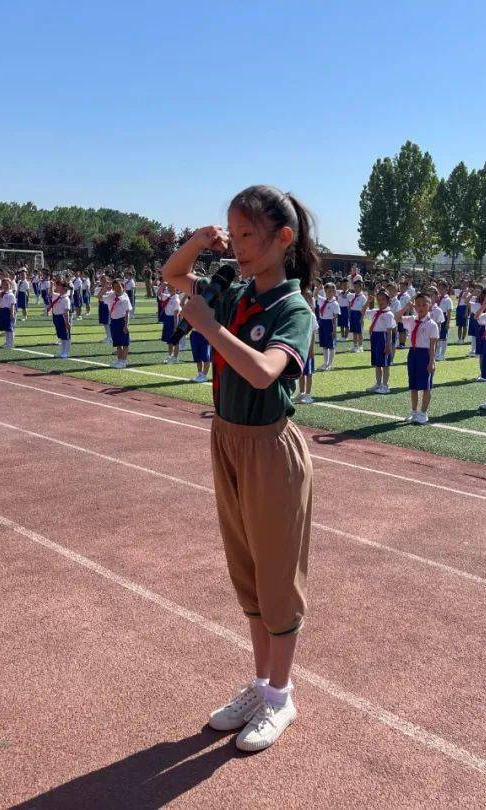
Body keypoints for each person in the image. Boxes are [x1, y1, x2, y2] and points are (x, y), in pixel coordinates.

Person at [162, 185, 316, 753]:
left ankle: (281, 695)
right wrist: (197, 243)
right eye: (233, 233)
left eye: (247, 235)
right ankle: (260, 684)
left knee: (277, 577)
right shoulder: (235, 293)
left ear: (283, 239)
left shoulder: (290, 309)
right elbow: (172, 275)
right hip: (226, 440)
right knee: (247, 573)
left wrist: (208, 327)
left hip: (270, 448)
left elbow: (262, 373)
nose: (239, 247)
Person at [399, 292, 439, 424]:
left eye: (423, 305)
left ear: (429, 306)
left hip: (425, 354)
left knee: (426, 385)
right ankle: (414, 411)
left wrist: (432, 361)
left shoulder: (432, 324)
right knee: (414, 385)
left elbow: (433, 345)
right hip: (413, 353)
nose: (420, 307)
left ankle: (423, 412)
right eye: (418, 305)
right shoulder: (411, 320)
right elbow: (396, 317)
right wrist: (407, 307)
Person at [365, 291, 397, 394]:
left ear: (388, 301)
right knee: (377, 364)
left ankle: (385, 385)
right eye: (378, 300)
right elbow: (362, 312)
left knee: (385, 364)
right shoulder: (375, 311)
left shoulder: (389, 314)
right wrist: (367, 302)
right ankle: (378, 384)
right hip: (375, 337)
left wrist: (388, 345)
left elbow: (389, 332)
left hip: (383, 338)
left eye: (383, 299)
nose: (380, 302)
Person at [295, 289, 317, 403]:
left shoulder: (311, 315)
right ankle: (301, 392)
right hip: (300, 348)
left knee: (308, 372)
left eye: (308, 298)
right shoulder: (298, 313)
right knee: (301, 372)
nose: (305, 300)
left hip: (308, 349)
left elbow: (313, 333)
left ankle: (308, 395)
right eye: (303, 297)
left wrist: (311, 349)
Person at [106, 278, 132, 368]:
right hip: (114, 321)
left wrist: (126, 325)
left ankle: (123, 361)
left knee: (125, 342)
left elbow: (127, 312)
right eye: (115, 287)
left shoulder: (125, 297)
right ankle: (119, 361)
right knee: (117, 343)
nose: (117, 288)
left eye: (119, 286)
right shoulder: (111, 295)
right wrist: (106, 287)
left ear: (123, 287)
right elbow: (99, 297)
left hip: (122, 321)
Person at [316, 283, 340, 370]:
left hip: (330, 324)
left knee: (331, 345)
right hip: (322, 323)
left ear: (334, 292)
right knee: (324, 345)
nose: (330, 292)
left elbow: (335, 318)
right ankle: (325, 363)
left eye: (332, 291)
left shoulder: (335, 304)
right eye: (328, 291)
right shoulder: (322, 300)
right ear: (325, 291)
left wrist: (334, 330)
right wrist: (318, 288)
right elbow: (315, 295)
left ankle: (330, 364)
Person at [49, 276, 73, 359]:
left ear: (63, 288)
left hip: (63, 318)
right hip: (56, 317)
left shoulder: (66, 299)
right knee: (61, 336)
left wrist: (67, 322)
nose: (57, 287)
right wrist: (51, 285)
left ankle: (66, 352)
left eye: (58, 285)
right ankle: (62, 351)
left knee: (66, 336)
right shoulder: (57, 296)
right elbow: (51, 293)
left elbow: (66, 311)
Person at [160, 287, 183, 363]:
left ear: (174, 289)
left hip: (173, 320)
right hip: (167, 319)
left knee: (175, 340)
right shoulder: (168, 296)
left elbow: (176, 314)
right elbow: (158, 294)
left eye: (170, 288)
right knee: (169, 341)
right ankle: (170, 356)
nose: (168, 289)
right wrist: (163, 285)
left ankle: (175, 357)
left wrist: (176, 327)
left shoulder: (176, 299)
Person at [0, 278, 17, 349]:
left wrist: (12, 314)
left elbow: (12, 305)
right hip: (2, 311)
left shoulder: (11, 295)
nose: (5, 286)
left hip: (8, 311)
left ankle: (11, 344)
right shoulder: (1, 293)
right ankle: (7, 342)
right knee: (6, 329)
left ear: (10, 285)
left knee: (10, 328)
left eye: (7, 284)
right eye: (3, 284)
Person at [347, 281, 366, 353]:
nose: (355, 288)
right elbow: (346, 296)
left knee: (359, 331)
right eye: (354, 287)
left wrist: (361, 318)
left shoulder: (363, 297)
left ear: (361, 287)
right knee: (354, 331)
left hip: (359, 314)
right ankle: (355, 345)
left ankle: (360, 346)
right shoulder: (352, 295)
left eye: (357, 287)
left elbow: (364, 309)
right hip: (353, 313)